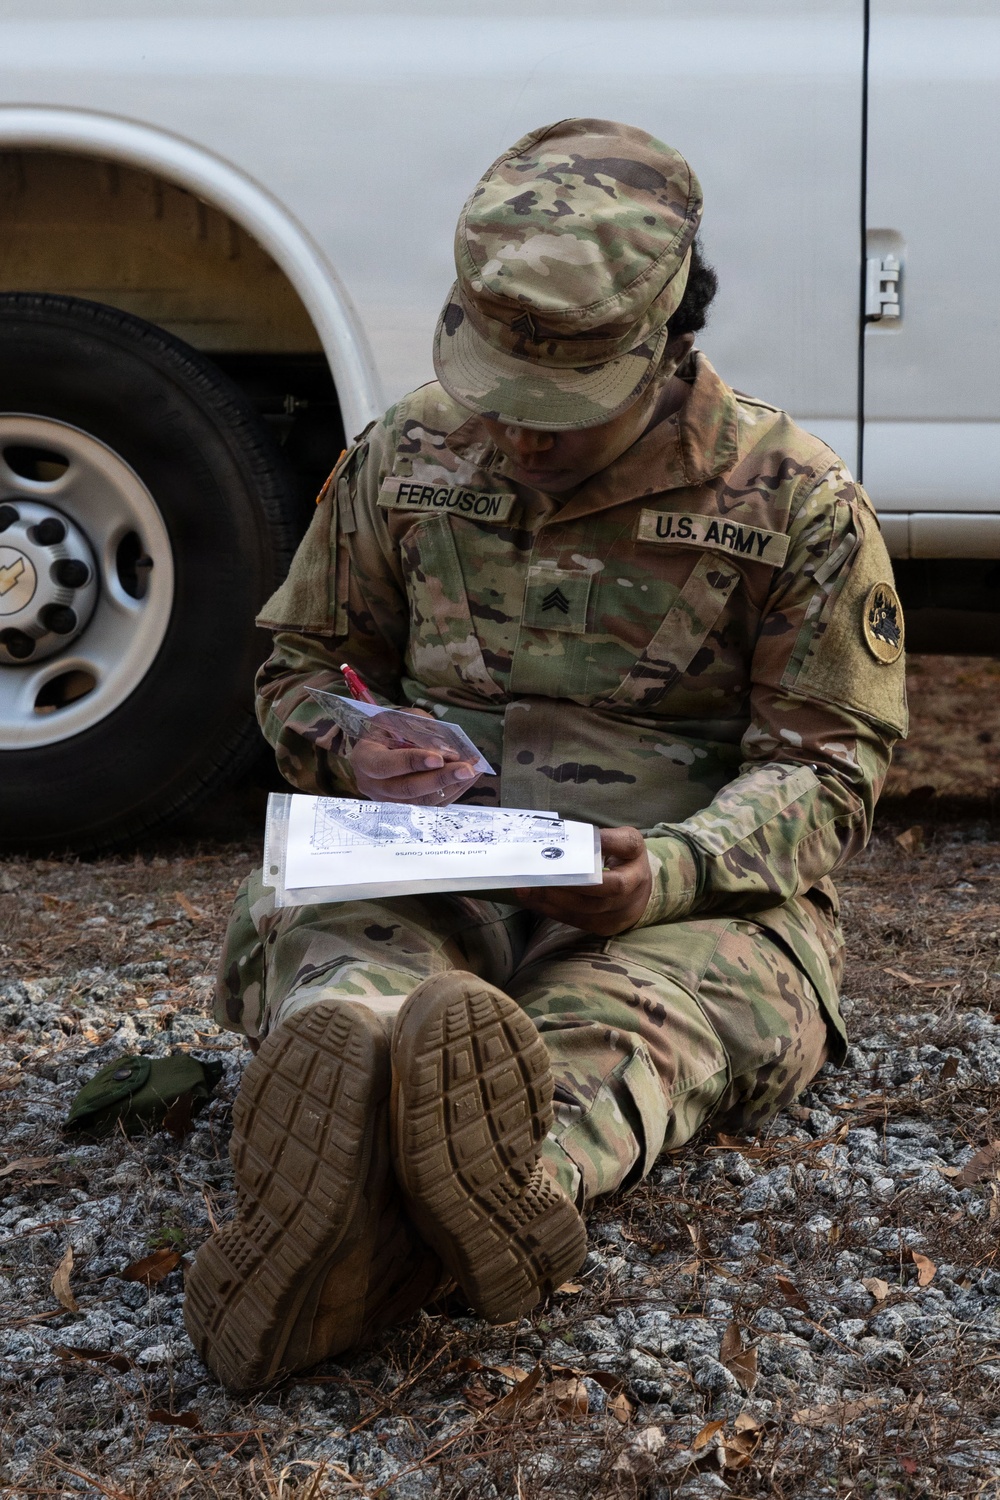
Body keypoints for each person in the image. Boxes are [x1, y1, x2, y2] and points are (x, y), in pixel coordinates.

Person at [184, 119, 907, 1392]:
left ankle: (480, 1197)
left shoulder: (791, 499)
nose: (518, 438)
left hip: (676, 905)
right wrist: (351, 742)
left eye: (561, 412)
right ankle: (361, 1152)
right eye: (498, 399)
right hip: (426, 863)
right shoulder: (406, 456)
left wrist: (666, 874)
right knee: (349, 986)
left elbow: (830, 771)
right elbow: (299, 669)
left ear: (666, 340)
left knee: (627, 1027)